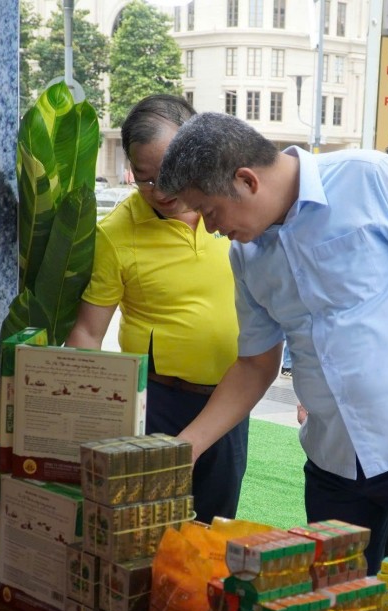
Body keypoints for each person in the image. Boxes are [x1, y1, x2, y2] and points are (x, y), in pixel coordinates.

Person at [156, 113, 388, 572]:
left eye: (207, 211)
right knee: (335, 609)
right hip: (332, 462)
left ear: (246, 181)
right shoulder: (245, 255)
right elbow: (255, 365)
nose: (208, 228)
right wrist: (187, 447)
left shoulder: (372, 178)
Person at [66, 95, 249, 524]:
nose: (162, 191)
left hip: (231, 400)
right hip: (158, 405)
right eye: (145, 179)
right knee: (149, 529)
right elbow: (88, 333)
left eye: (172, 173)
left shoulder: (236, 211)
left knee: (213, 531)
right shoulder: (117, 233)